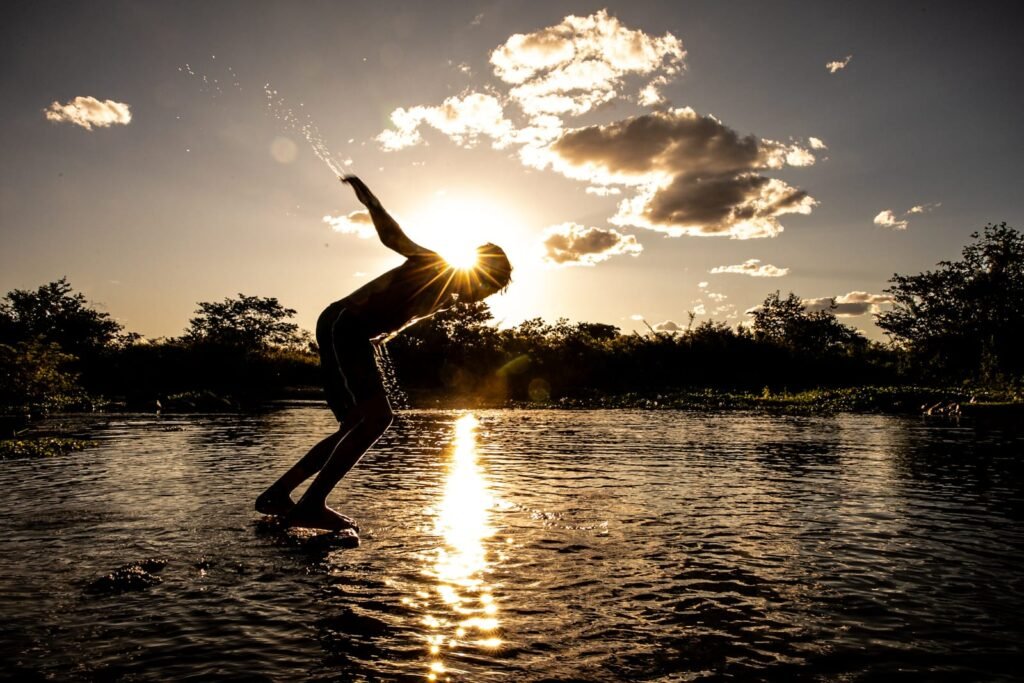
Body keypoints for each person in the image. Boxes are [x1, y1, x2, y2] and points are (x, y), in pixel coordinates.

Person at [256, 175, 513, 532]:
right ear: (478, 271)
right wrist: (370, 201)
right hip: (343, 325)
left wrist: (386, 336)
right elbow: (394, 238)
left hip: (353, 334)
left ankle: (278, 494)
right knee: (378, 419)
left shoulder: (443, 295)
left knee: (355, 426)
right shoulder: (437, 265)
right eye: (488, 286)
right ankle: (311, 505)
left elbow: (406, 315)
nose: (483, 296)